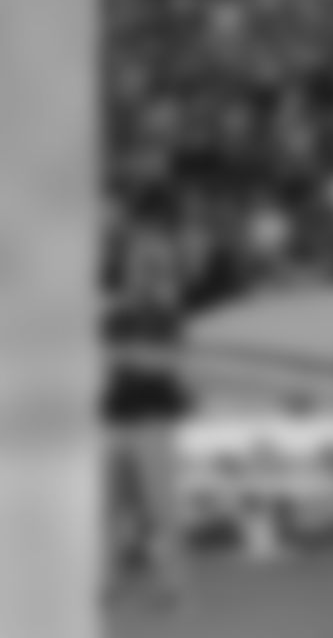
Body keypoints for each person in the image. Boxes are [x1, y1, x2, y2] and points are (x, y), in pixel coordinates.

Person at [102, 206, 194, 606]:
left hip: (153, 418)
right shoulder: (116, 309)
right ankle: (106, 579)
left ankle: (170, 583)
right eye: (134, 260)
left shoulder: (165, 309)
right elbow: (109, 357)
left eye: (146, 261)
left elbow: (167, 363)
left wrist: (124, 355)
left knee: (159, 507)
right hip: (114, 416)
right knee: (111, 506)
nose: (137, 267)